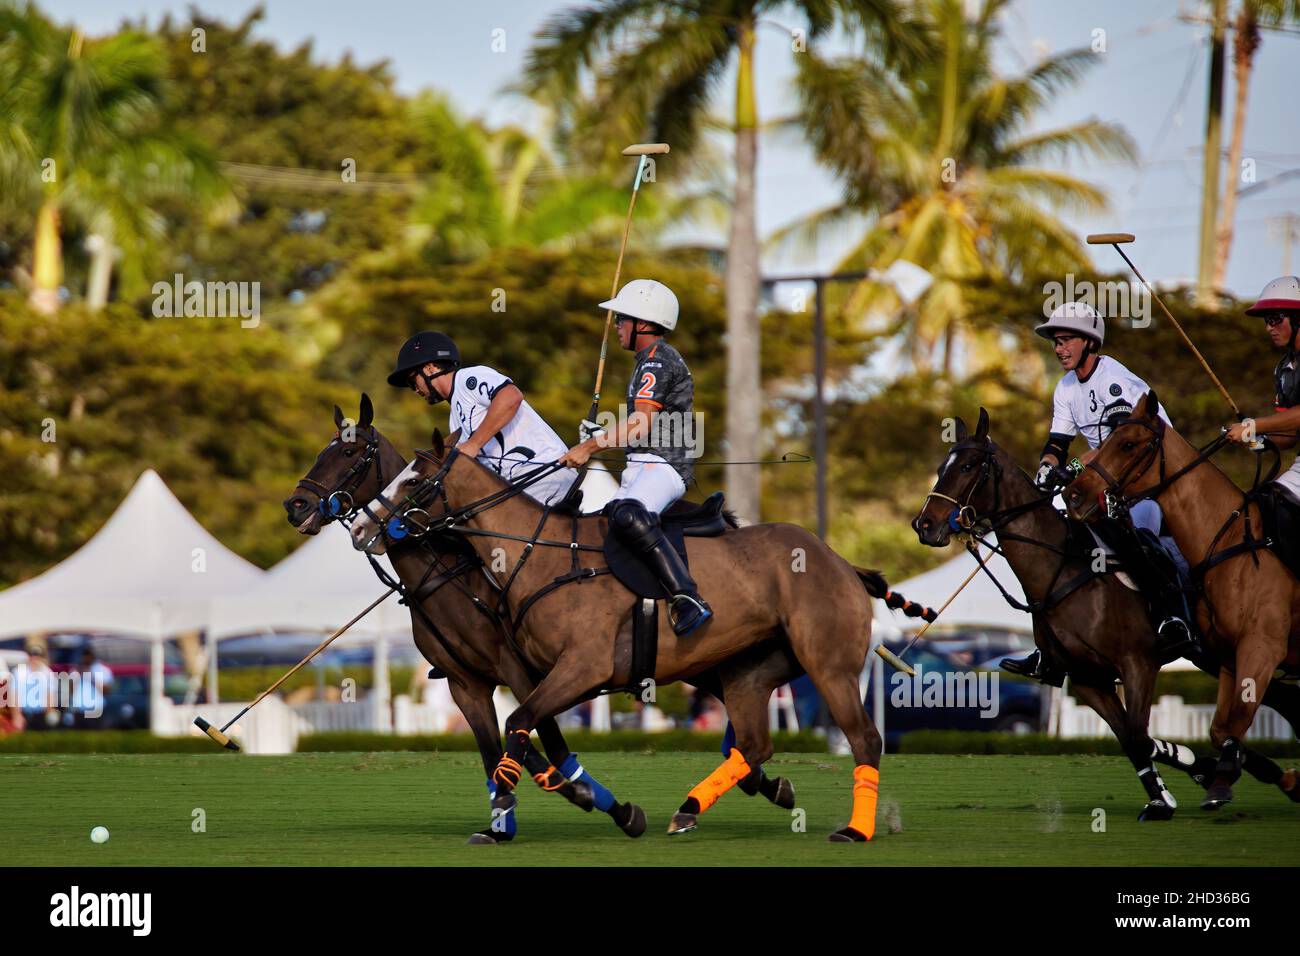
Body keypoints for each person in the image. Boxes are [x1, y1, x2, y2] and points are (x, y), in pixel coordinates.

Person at [1002, 300, 1195, 685]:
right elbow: (1058, 443)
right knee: (1054, 540)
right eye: (1056, 341)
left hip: (1155, 481)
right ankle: (1051, 648)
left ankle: (1173, 617)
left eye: (1066, 339)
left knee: (1138, 535)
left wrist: (1072, 468)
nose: (1058, 348)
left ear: (1090, 342)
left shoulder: (1115, 380)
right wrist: (1047, 468)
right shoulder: (1066, 388)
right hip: (1109, 484)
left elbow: (1120, 445)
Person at [560, 279, 711, 636]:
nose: (616, 327)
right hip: (641, 466)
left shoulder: (658, 362)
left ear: (642, 323)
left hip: (664, 467)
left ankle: (687, 596)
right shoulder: (648, 360)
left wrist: (590, 446)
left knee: (629, 516)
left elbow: (640, 424)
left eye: (621, 319)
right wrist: (598, 435)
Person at [387, 331, 577, 507]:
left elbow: (511, 397)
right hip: (519, 488)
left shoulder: (469, 378)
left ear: (429, 368)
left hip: (546, 474)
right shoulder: (454, 419)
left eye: (413, 380)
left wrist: (475, 443)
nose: (415, 389)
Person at [1224, 276, 1300, 571]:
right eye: (1266, 320)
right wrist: (1257, 439)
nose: (1269, 326)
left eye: (1275, 318)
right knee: (1262, 505)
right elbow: (1288, 436)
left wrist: (1255, 425)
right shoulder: (1284, 369)